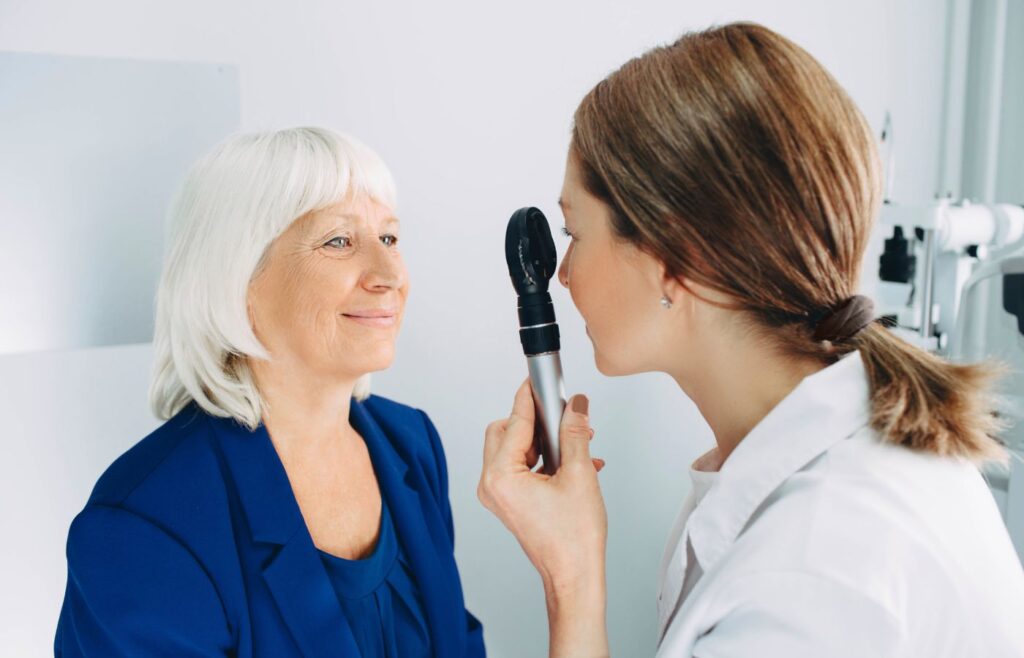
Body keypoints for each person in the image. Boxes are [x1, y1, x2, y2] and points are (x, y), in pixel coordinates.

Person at [478, 22, 1024, 657]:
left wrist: (568, 582)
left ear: (672, 256)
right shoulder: (816, 470)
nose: (564, 274)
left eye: (574, 232)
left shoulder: (816, 576)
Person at [55, 127, 485, 657]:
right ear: (235, 279)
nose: (389, 274)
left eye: (390, 238)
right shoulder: (144, 526)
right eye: (339, 241)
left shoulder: (411, 445)